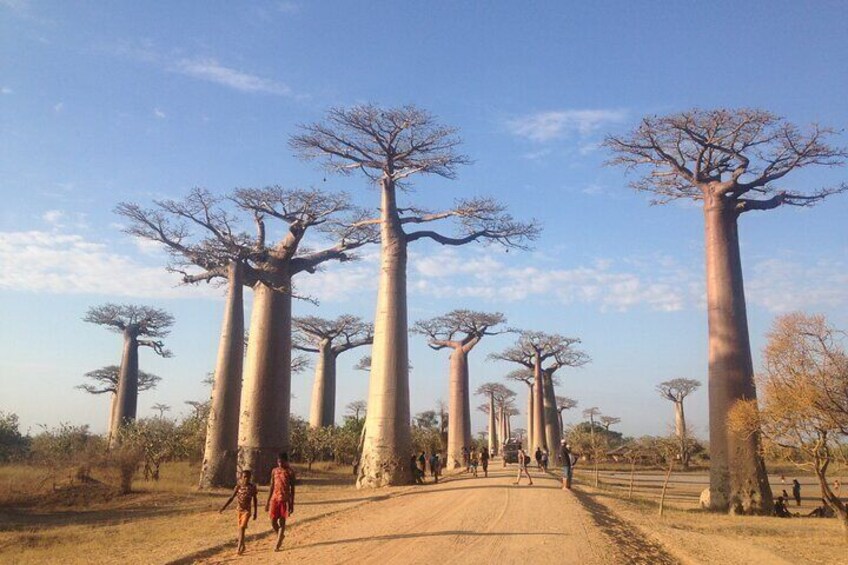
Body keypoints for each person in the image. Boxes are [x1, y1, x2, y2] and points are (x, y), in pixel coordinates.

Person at [219, 469, 258, 556]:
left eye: (248, 477)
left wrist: (255, 512)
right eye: (244, 477)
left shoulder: (252, 487)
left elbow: (255, 500)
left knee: (242, 527)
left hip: (247, 511)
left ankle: (238, 547)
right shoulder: (238, 487)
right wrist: (223, 508)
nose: (246, 479)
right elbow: (231, 498)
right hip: (239, 510)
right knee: (241, 529)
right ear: (241, 477)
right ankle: (243, 545)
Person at [266, 453, 296, 552]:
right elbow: (271, 486)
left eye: (281, 461)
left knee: (282, 522)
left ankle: (278, 544)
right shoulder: (274, 471)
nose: (280, 463)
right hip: (274, 499)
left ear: (285, 461)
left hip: (285, 499)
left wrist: (292, 503)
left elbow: (292, 489)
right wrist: (267, 501)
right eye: (278, 461)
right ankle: (280, 535)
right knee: (273, 521)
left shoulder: (290, 472)